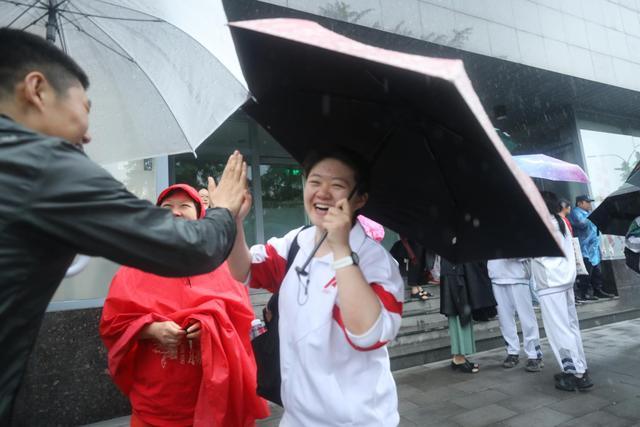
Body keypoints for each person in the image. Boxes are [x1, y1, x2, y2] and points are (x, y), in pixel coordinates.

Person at [0, 29, 247, 421]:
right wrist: (224, 209)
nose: (89, 132)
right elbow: (192, 249)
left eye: (188, 206)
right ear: (37, 89)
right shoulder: (44, 164)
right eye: (84, 107)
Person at [226, 148, 404, 426]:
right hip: (296, 416)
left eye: (337, 185)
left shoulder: (377, 263)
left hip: (358, 420)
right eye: (315, 181)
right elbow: (243, 269)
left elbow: (368, 335)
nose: (322, 192)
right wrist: (233, 218)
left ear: (360, 199)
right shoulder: (296, 243)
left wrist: (342, 250)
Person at [100, 184, 268, 426]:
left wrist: (212, 328)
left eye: (184, 206)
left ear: (200, 216)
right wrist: (151, 330)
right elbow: (112, 325)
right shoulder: (135, 266)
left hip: (215, 401)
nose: (175, 212)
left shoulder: (221, 264)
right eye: (167, 207)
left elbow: (241, 321)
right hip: (156, 403)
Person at [533, 191, 593, 391]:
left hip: (551, 284)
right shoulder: (559, 221)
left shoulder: (542, 225)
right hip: (564, 281)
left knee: (559, 330)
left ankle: (576, 373)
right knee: (570, 327)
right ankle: (580, 367)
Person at [440, 259, 496, 374]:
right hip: (455, 274)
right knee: (459, 315)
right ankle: (459, 358)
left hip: (457, 272)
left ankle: (458, 357)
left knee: (461, 316)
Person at [488, 258, 543, 372]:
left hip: (518, 275)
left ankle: (534, 354)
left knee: (526, 318)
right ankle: (512, 351)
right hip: (496, 274)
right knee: (504, 319)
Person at [569, 195, 614, 299]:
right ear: (580, 203)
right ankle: (584, 293)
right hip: (584, 247)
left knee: (596, 272)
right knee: (586, 272)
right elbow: (582, 224)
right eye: (587, 202)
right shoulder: (576, 213)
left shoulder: (589, 213)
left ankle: (597, 290)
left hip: (594, 248)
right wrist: (592, 216)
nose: (590, 204)